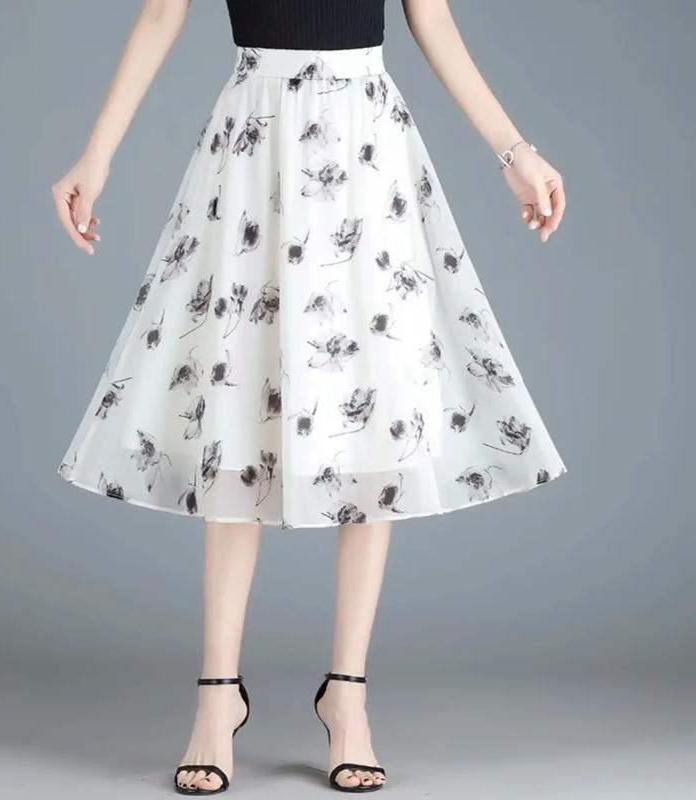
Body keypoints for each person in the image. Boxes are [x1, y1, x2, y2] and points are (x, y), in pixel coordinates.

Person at [51, 0, 567, 794]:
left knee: (376, 411)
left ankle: (346, 697)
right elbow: (160, 14)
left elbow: (430, 18)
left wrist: (514, 151)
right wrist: (96, 153)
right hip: (255, 140)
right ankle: (216, 696)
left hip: (364, 143)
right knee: (235, 404)